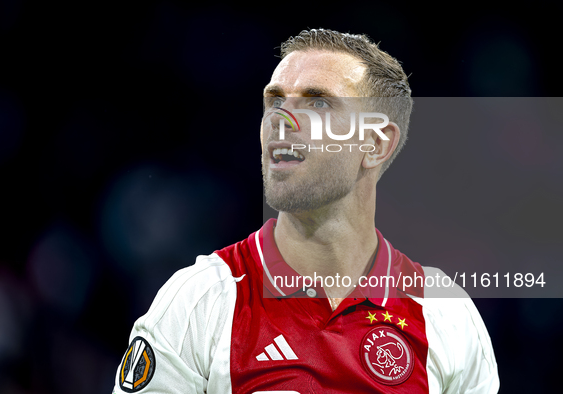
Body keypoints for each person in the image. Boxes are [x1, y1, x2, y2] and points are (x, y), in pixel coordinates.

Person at [112, 29, 499, 394]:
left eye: (317, 103)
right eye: (275, 100)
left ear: (375, 144)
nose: (282, 119)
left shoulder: (444, 312)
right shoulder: (200, 300)